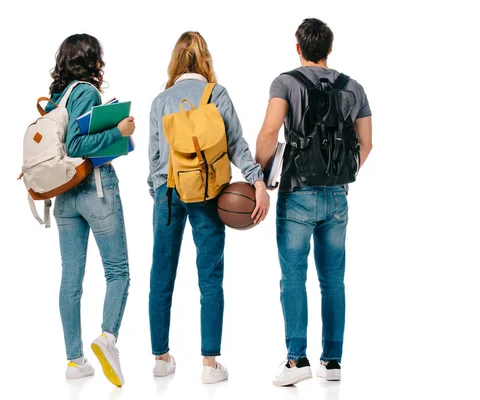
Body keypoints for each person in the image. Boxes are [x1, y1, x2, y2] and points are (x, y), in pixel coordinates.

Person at [255, 18, 373, 386]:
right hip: (337, 195)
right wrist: (342, 173)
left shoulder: (286, 82)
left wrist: (261, 175)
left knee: (293, 277)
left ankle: (296, 361)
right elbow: (367, 143)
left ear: (298, 47)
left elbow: (272, 130)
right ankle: (332, 363)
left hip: (297, 193)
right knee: (333, 280)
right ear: (330, 50)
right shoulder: (354, 87)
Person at [147, 31, 270, 384]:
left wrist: (158, 193)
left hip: (168, 193)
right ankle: (210, 364)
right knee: (210, 279)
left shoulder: (160, 101)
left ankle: (161, 358)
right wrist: (257, 182)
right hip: (209, 194)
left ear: (175, 62)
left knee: (161, 276)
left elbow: (155, 157)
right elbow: (237, 144)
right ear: (205, 61)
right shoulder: (217, 94)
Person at [45, 34, 135, 387]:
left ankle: (75, 361)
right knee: (119, 272)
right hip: (95, 189)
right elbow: (77, 144)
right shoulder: (86, 92)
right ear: (92, 60)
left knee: (71, 278)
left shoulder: (57, 99)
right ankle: (107, 337)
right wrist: (119, 129)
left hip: (64, 195)